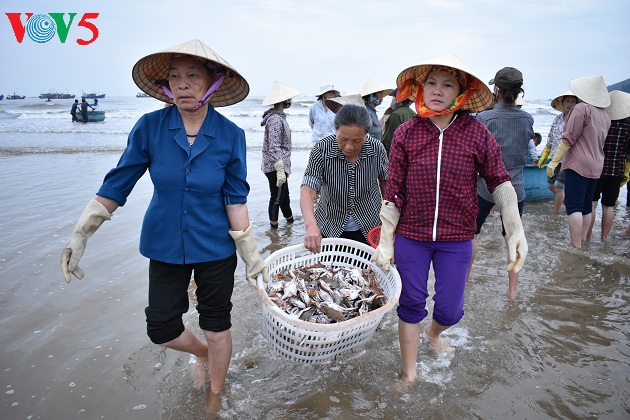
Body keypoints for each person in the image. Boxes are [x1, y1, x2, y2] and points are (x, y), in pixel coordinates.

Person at [60, 40, 268, 398]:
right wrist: (82, 233)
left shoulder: (230, 135)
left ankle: (215, 400)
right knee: (161, 328)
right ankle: (202, 354)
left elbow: (235, 199)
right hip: (165, 242)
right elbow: (118, 183)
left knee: (216, 327)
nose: (182, 84)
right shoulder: (150, 127)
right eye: (175, 76)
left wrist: (251, 255)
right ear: (167, 84)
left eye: (193, 75)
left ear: (214, 82)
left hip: (215, 246)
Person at [372, 55, 527, 385]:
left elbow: (499, 180)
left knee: (450, 311)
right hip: (412, 235)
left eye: (447, 84)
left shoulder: (476, 132)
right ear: (421, 88)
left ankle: (434, 333)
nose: (437, 90)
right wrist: (386, 240)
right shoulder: (406, 133)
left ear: (461, 92)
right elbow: (393, 191)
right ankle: (410, 374)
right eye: (431, 83)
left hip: (456, 238)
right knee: (410, 304)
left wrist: (515, 228)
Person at [471, 67, 534, 301]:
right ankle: (512, 292)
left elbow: (476, 155)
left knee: (471, 234)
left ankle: (464, 280)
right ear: (519, 91)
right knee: (513, 238)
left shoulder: (484, 118)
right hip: (515, 186)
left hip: (485, 187)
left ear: (496, 88)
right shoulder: (527, 119)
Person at [300, 100, 388, 254]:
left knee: (365, 266)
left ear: (366, 134)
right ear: (336, 131)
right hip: (330, 225)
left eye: (357, 141)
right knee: (329, 266)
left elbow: (386, 184)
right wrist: (311, 226)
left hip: (369, 226)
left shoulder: (377, 149)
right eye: (343, 139)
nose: (349, 147)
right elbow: (308, 190)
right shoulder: (322, 149)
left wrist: (390, 224)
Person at [546, 76, 611, 248]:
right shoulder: (605, 113)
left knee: (574, 206)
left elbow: (569, 138)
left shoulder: (582, 108)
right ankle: (583, 241)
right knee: (586, 206)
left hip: (578, 165)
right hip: (597, 165)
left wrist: (554, 161)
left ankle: (576, 245)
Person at [586, 90, 630, 241]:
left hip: (597, 168)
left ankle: (587, 237)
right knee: (608, 206)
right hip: (617, 170)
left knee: (592, 204)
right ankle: (604, 238)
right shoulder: (628, 127)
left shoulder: (602, 122)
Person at [260, 81, 300, 229]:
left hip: (280, 165)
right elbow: (274, 145)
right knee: (277, 197)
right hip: (275, 166)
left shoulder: (279, 117)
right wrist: (280, 168)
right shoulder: (276, 120)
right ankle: (274, 230)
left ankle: (290, 222)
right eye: (288, 98)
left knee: (284, 197)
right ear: (283, 100)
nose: (290, 100)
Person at [539, 91, 578, 213]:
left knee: (558, 186)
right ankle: (570, 206)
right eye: (567, 101)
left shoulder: (577, 120)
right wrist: (545, 153)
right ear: (562, 103)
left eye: (572, 102)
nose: (569, 104)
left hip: (569, 158)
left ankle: (556, 213)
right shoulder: (557, 119)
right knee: (551, 185)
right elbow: (551, 136)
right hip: (555, 157)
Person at [381, 88, 416, 155]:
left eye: (394, 97)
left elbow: (388, 140)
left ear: (399, 98)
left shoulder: (396, 114)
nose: (392, 99)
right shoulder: (413, 113)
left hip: (393, 154)